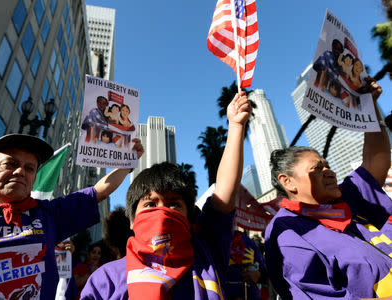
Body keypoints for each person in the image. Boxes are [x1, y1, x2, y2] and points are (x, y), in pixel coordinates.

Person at [80, 92, 252, 299]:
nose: (162, 211)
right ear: (132, 221)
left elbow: (223, 195)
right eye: (150, 205)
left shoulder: (206, 254)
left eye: (173, 205)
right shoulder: (105, 279)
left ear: (189, 217)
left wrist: (235, 126)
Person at [0, 133, 143, 299]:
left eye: (30, 168)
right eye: (10, 164)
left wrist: (127, 164)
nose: (20, 171)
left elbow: (99, 191)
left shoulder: (48, 214)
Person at [265, 79, 392, 299]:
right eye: (317, 168)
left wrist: (369, 107)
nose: (329, 172)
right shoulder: (287, 232)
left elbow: (375, 159)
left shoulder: (348, 195)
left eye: (328, 165)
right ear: (288, 182)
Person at [225, 230, 267, 300]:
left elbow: (265, 274)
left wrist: (258, 274)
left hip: (250, 294)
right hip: (223, 294)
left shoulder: (250, 242)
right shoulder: (213, 242)